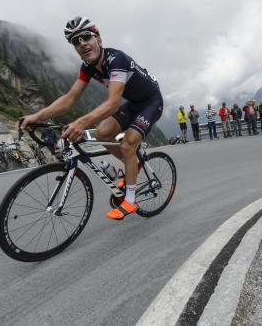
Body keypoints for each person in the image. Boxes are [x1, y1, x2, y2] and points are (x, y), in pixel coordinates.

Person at [20, 16, 163, 220]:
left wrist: (81, 123)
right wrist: (37, 116)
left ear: (98, 38)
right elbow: (69, 99)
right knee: (103, 133)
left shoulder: (116, 59)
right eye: (76, 41)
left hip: (151, 102)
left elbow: (113, 102)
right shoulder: (87, 67)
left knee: (128, 144)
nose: (82, 44)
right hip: (133, 104)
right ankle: (130, 168)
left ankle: (130, 200)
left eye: (86, 37)